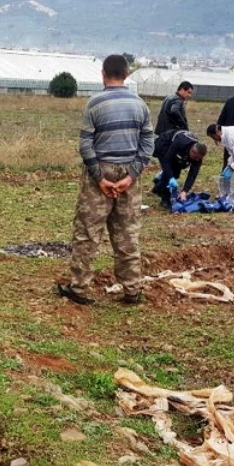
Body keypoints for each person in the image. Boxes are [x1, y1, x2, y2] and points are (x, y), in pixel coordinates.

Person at [57, 54, 153, 306]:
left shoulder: (94, 104)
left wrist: (99, 178)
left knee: (88, 233)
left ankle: (79, 288)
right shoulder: (140, 105)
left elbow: (85, 144)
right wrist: (130, 177)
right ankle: (132, 290)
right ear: (127, 74)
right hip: (129, 176)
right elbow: (147, 144)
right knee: (127, 234)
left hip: (98, 173)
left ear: (103, 74)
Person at [151, 129, 206, 209]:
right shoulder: (181, 143)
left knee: (175, 173)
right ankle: (165, 199)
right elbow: (167, 161)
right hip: (164, 145)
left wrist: (185, 191)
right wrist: (170, 178)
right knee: (169, 174)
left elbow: (193, 174)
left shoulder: (198, 156)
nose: (197, 160)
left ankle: (158, 187)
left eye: (199, 159)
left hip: (178, 152)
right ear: (192, 151)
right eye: (196, 157)